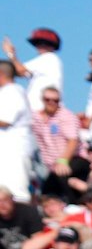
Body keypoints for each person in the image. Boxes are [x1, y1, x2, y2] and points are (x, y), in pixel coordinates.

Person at [4, 29, 63, 109]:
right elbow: (18, 73)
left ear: (52, 46)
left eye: (45, 43)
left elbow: (20, 70)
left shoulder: (49, 58)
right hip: (38, 109)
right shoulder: (48, 61)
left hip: (41, 108)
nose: (40, 46)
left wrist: (10, 53)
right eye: (38, 43)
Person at [0, 61, 30, 200]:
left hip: (14, 151)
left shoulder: (12, 92)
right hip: (7, 150)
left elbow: (5, 119)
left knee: (16, 192)